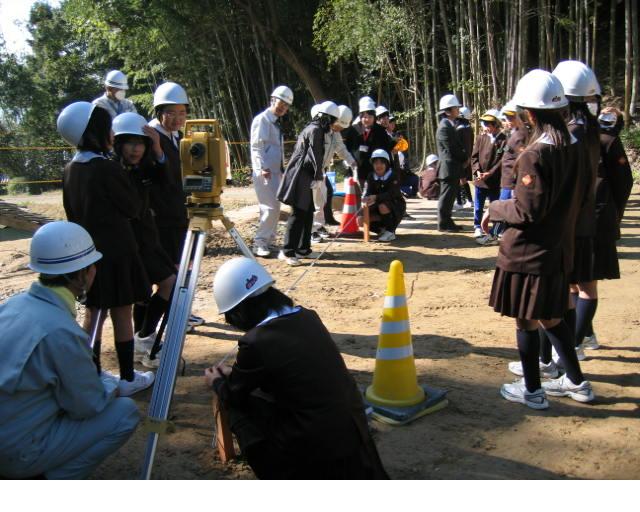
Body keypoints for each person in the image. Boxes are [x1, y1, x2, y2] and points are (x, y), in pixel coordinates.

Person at [205, 257, 388, 479]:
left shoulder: (255, 341)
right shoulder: (307, 316)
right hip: (353, 424)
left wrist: (216, 381)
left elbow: (235, 393)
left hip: (313, 442)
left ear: (240, 312)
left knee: (240, 408)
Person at [483, 69, 594, 410]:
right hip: (559, 247)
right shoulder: (575, 143)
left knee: (526, 319)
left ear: (530, 113)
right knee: (552, 316)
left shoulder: (536, 153)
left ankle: (532, 390)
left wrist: (495, 208)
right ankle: (577, 381)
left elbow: (526, 210)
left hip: (528, 252)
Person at [0, 221, 140, 479]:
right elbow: (87, 405)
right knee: (125, 412)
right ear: (82, 274)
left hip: (8, 427)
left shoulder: (12, 306)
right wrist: (111, 387)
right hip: (14, 452)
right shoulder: (62, 331)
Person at [58, 102, 154, 396]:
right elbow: (132, 207)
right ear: (95, 131)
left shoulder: (70, 170)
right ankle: (126, 378)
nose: (112, 134)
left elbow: (71, 211)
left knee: (93, 314)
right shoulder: (107, 168)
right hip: (117, 253)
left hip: (88, 254)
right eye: (107, 127)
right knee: (122, 313)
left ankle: (93, 375)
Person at [112, 112, 177, 368]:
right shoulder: (112, 171)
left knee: (167, 282)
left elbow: (166, 179)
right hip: (128, 242)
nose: (136, 149)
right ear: (118, 144)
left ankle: (144, 337)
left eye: (141, 143)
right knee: (144, 292)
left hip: (148, 239)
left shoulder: (144, 166)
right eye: (130, 143)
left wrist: (159, 149)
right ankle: (143, 339)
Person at [551, 60, 601, 362]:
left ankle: (574, 346)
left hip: (573, 220)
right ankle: (576, 343)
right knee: (577, 284)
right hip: (583, 216)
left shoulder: (574, 131)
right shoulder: (587, 126)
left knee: (582, 285)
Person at [148, 82, 204, 330]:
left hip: (180, 212)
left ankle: (182, 312)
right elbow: (162, 177)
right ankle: (169, 320)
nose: (179, 118)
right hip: (162, 217)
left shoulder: (178, 137)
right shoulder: (150, 137)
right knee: (173, 271)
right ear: (160, 112)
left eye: (182, 113)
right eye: (173, 113)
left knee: (185, 266)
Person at [578, 107, 633, 348]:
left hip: (588, 219)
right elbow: (623, 184)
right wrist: (616, 214)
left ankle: (579, 339)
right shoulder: (606, 141)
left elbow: (622, 182)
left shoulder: (583, 137)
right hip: (593, 218)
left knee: (581, 281)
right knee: (584, 281)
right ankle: (582, 337)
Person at [276, 100, 332, 266]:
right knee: (299, 212)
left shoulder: (313, 128)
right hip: (301, 174)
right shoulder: (315, 130)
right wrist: (318, 176)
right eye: (332, 120)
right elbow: (315, 155)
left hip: (304, 174)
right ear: (325, 118)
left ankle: (303, 249)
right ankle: (287, 251)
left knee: (307, 212)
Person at [250, 85, 294, 258]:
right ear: (273, 99)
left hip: (274, 171)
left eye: (286, 105)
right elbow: (256, 146)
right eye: (281, 102)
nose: (283, 107)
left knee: (274, 207)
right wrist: (262, 168)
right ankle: (259, 243)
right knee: (269, 208)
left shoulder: (275, 122)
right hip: (265, 171)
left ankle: (268, 241)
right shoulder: (263, 120)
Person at [310, 102, 358, 243]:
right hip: (312, 171)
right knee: (313, 202)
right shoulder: (319, 131)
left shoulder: (335, 133)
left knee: (322, 199)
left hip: (322, 171)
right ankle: (311, 230)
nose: (339, 129)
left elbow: (341, 149)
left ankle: (318, 227)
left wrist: (352, 161)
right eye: (339, 125)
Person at [493, 100, 529, 240]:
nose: (507, 121)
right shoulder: (514, 134)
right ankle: (499, 233)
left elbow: (524, 158)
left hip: (511, 181)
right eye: (505, 118)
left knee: (505, 210)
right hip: (506, 180)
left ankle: (495, 234)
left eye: (511, 117)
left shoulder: (521, 135)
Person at [471, 109, 506, 244]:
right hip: (480, 180)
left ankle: (495, 229)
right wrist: (477, 171)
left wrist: (490, 173)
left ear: (496, 124)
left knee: (494, 206)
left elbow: (502, 161)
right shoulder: (481, 138)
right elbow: (474, 157)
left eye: (489, 124)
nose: (486, 127)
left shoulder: (504, 140)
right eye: (485, 123)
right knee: (478, 205)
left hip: (494, 181)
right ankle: (477, 226)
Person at [344, 96, 395, 188]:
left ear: (374, 117)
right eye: (364, 117)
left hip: (375, 172)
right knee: (357, 197)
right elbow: (347, 148)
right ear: (360, 117)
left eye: (369, 117)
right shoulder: (353, 130)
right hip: (357, 171)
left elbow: (387, 149)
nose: (366, 119)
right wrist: (347, 163)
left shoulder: (380, 131)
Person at [436, 94, 468, 232]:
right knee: (446, 197)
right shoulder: (444, 127)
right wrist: (464, 158)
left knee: (450, 197)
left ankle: (448, 221)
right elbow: (452, 148)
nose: (458, 110)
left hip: (452, 167)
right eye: (456, 107)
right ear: (448, 110)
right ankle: (443, 223)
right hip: (448, 168)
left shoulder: (449, 125)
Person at [362, 149, 406, 242]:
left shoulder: (393, 175)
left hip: (395, 205)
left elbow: (392, 194)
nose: (378, 166)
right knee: (360, 219)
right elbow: (369, 191)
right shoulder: (371, 176)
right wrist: (366, 198)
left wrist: (376, 197)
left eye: (381, 163)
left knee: (383, 206)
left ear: (386, 163)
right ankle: (381, 230)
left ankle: (390, 231)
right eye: (376, 163)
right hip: (378, 204)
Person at [454, 106, 474, 209]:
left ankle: (461, 201)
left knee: (459, 179)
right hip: (466, 157)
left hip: (460, 158)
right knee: (462, 179)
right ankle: (466, 200)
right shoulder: (469, 127)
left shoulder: (459, 128)